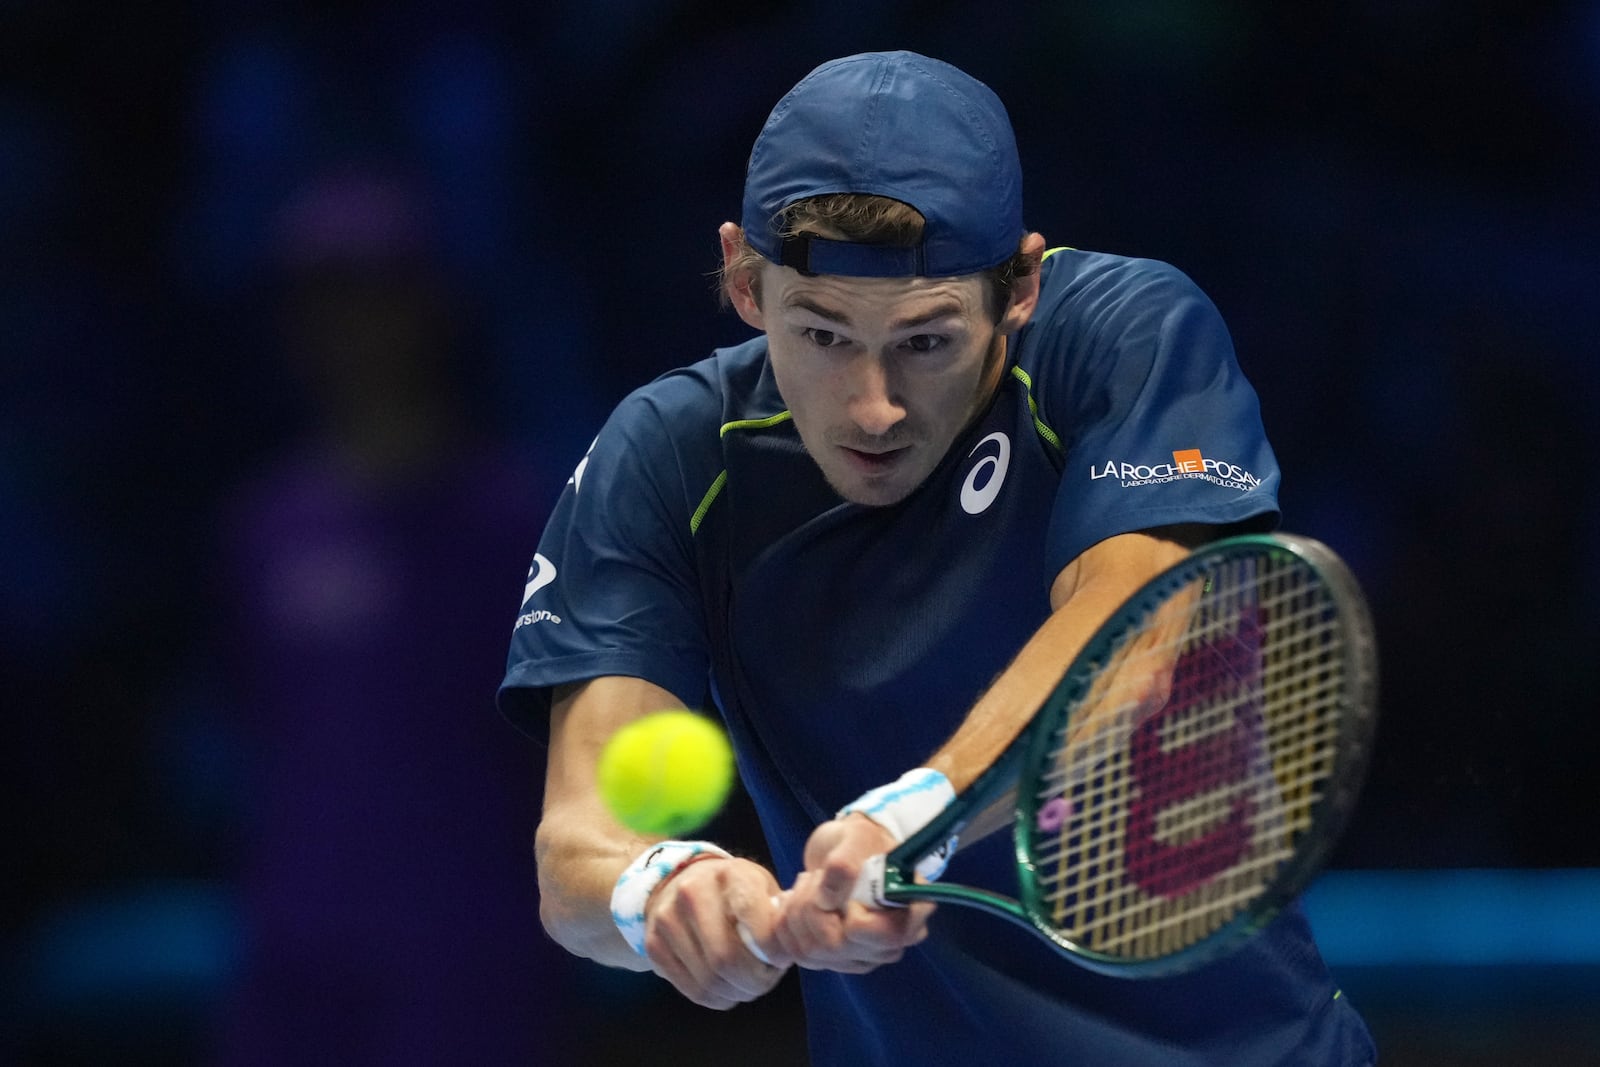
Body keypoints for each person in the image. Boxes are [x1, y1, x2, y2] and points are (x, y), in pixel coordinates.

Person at [501, 51, 1375, 1065]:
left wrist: (914, 811)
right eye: (822, 334)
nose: (873, 404)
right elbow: (576, 844)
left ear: (1020, 286)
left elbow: (1139, 631)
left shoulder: (1121, 334)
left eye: (924, 341)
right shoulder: (668, 454)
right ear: (744, 279)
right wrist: (658, 888)